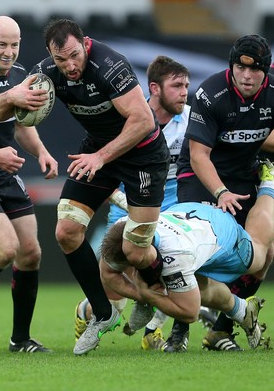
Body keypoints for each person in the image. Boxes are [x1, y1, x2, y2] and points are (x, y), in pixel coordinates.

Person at [0, 18, 170, 356]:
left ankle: (153, 294)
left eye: (75, 55)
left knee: (135, 251)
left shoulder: (110, 65)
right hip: (97, 152)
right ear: (50, 55)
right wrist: (11, 96)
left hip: (143, 156)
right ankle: (102, 313)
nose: (70, 66)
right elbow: (2, 114)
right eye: (61, 59)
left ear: (85, 43)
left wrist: (101, 157)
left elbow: (144, 120)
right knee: (66, 232)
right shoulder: (46, 74)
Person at [74, 55, 191, 351]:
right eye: (176, 85)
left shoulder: (191, 120)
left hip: (172, 213)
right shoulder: (126, 121)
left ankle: (154, 331)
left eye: (186, 86)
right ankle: (85, 312)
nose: (184, 92)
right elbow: (102, 168)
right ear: (154, 88)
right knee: (116, 301)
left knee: (176, 272)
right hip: (126, 210)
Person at [99, 161, 274, 351]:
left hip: (224, 233)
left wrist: (148, 295)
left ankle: (269, 184)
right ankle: (242, 310)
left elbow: (189, 312)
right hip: (189, 214)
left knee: (260, 252)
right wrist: (141, 294)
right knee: (199, 287)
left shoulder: (176, 255)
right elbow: (108, 273)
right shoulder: (127, 227)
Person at [173, 34, 274, 352]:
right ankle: (180, 330)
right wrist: (220, 192)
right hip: (202, 177)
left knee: (264, 255)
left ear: (265, 71)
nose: (246, 76)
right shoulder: (211, 93)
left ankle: (221, 329)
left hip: (244, 176)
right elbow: (199, 155)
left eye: (255, 70)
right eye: (239, 68)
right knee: (196, 253)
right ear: (231, 66)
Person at [0, 16, 58, 352]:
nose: (9, 52)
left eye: (15, 44)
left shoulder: (20, 75)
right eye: (2, 45)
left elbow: (21, 125)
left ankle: (20, 339)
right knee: (4, 248)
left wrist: (42, 152)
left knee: (30, 253)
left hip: (3, 174)